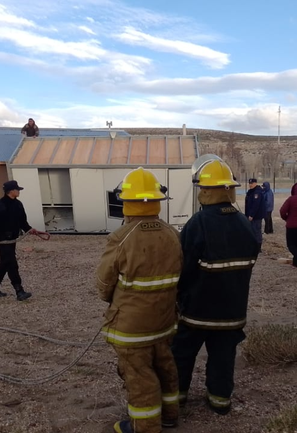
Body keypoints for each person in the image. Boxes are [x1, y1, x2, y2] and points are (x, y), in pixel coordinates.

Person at [96, 168, 182, 433]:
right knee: (165, 366)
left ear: (127, 202)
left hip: (132, 328)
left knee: (140, 377)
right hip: (165, 322)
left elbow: (103, 284)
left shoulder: (121, 238)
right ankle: (170, 415)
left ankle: (145, 427)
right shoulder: (172, 233)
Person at [172, 158, 259, 416]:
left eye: (202, 189)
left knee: (182, 353)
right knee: (223, 357)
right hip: (233, 311)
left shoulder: (198, 223)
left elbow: (183, 267)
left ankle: (177, 398)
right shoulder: (244, 223)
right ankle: (220, 401)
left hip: (197, 310)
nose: (200, 193)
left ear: (209, 191)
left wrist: (179, 295)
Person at [0, 180, 40, 301]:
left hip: (12, 239)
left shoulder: (18, 204)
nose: (19, 191)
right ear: (11, 191)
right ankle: (19, 291)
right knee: (12, 263)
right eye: (17, 189)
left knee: (5, 263)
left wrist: (30, 230)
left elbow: (23, 222)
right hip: (2, 239)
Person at [244, 178, 265, 249]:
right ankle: (252, 245)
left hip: (256, 216)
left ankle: (258, 247)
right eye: (249, 183)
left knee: (256, 231)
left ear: (255, 183)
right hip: (249, 215)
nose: (250, 185)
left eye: (252, 183)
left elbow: (256, 205)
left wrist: (251, 215)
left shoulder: (257, 192)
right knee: (251, 231)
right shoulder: (250, 192)